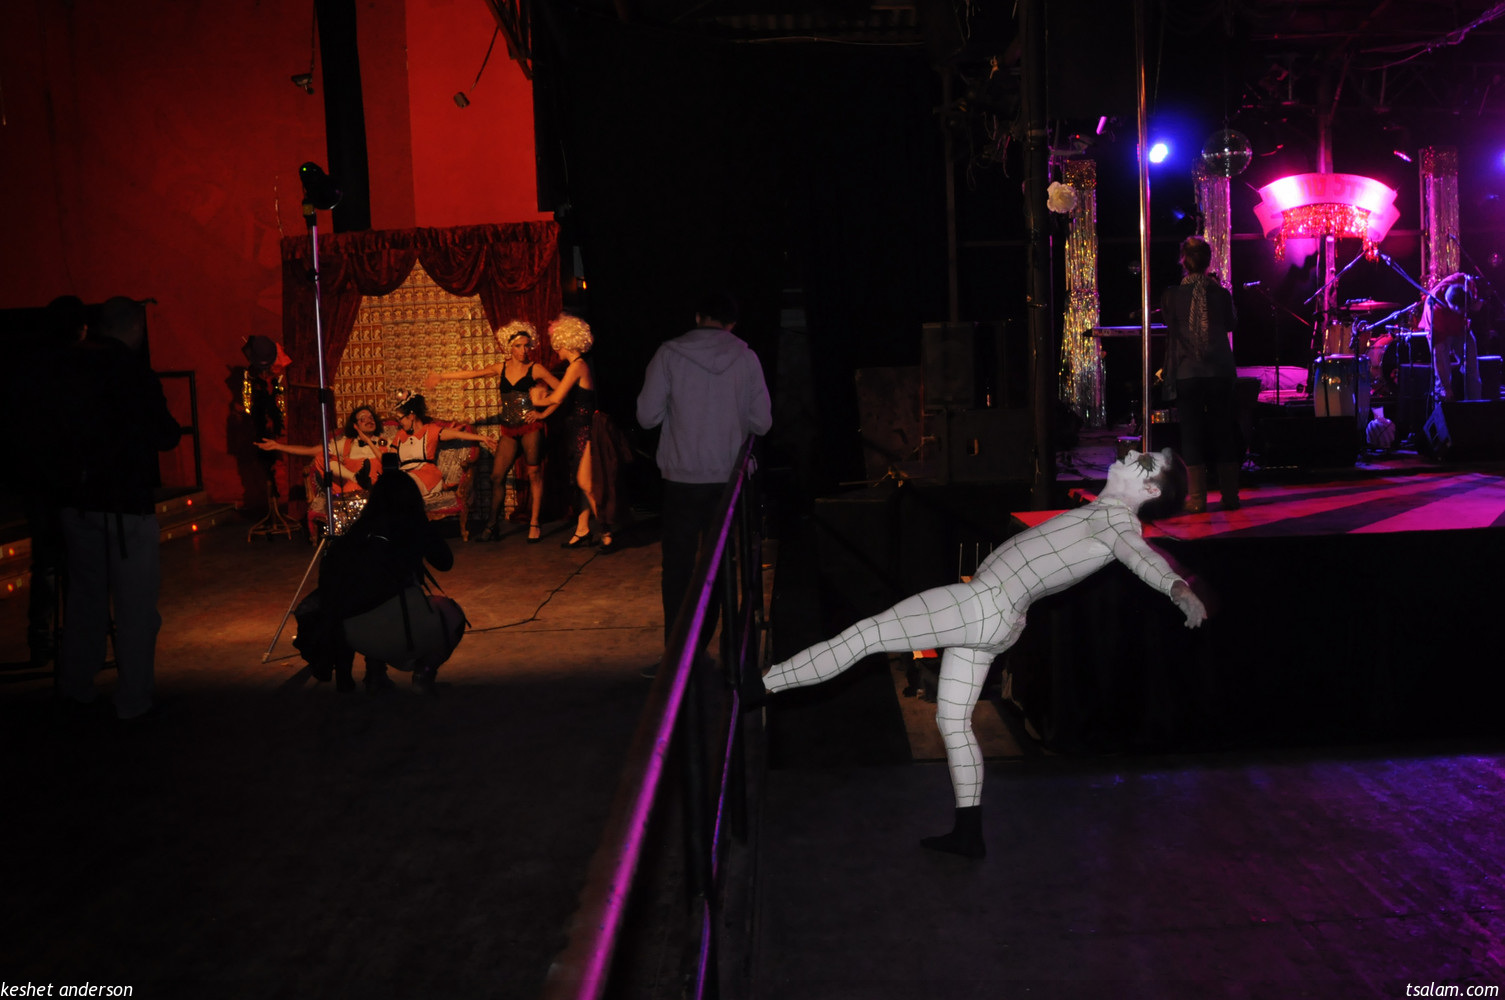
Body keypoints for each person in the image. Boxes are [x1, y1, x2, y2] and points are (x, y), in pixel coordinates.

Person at [753, 449, 1206, 858]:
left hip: (980, 606)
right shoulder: (1103, 514)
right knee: (952, 721)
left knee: (865, 635)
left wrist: (1177, 588)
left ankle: (763, 684)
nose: (1131, 451)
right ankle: (968, 833)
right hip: (997, 620)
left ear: (1150, 490)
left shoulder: (1116, 521)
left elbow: (1140, 556)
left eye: (1145, 459)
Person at [55, 296, 182, 721]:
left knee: (84, 599)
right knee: (135, 606)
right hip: (126, 501)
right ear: (135, 328)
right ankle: (132, 700)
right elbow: (166, 435)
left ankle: (76, 687)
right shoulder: (132, 371)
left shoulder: (67, 365)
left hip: (76, 499)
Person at [636, 291, 772, 671]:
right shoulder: (745, 358)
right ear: (732, 323)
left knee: (678, 569)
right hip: (728, 480)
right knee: (722, 565)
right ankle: (728, 652)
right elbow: (762, 422)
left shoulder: (668, 354)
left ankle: (679, 655)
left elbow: (646, 416)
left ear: (698, 317)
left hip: (681, 478)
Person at [301, 452, 459, 694]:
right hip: (401, 633)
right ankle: (423, 675)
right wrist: (424, 528)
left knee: (365, 597)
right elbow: (445, 562)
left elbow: (334, 598)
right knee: (451, 613)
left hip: (353, 635)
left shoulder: (352, 537)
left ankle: (374, 675)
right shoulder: (415, 526)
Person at [424, 320, 560, 542]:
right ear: (510, 347)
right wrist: (442, 377)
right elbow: (472, 374)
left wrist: (543, 413)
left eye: (527, 346)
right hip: (509, 429)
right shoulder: (501, 367)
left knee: (534, 473)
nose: (524, 350)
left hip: (530, 428)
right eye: (518, 346)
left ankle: (535, 523)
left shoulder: (535, 369)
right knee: (497, 476)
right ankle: (492, 525)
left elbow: (561, 390)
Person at [529, 315, 630, 552]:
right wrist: (543, 413)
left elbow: (557, 397)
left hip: (584, 430)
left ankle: (606, 532)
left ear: (566, 342)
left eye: (557, 344)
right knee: (580, 482)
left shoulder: (577, 366)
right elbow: (565, 399)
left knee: (585, 482)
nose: (556, 349)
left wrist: (537, 399)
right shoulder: (575, 367)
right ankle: (583, 530)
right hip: (576, 430)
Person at [1161, 235, 1242, 513]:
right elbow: (1231, 324)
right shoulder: (1220, 294)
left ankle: (1197, 500)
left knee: (1191, 434)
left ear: (1183, 261)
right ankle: (1230, 497)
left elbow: (1169, 322)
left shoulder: (1171, 295)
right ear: (1208, 262)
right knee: (1223, 431)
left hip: (1188, 371)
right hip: (1218, 371)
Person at [255, 405, 388, 494]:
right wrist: (279, 446)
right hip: (354, 489)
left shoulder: (386, 442)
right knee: (322, 456)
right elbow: (312, 451)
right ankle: (355, 477)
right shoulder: (345, 443)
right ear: (355, 426)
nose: (369, 420)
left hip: (381, 488)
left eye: (371, 418)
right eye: (363, 418)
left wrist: (368, 441)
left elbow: (392, 464)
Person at [390, 390, 496, 498]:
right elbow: (389, 460)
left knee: (405, 486)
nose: (399, 422)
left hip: (426, 475)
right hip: (404, 475)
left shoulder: (430, 431)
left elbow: (457, 435)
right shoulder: (400, 435)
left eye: (400, 418)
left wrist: (483, 438)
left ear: (411, 416)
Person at [1419, 272, 1482, 402]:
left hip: (1461, 328)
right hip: (1442, 329)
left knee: (1472, 369)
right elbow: (1438, 355)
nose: (1464, 313)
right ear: (1450, 305)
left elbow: (1476, 300)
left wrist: (1475, 304)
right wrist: (1446, 387)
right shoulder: (1435, 312)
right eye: (1461, 311)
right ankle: (1444, 405)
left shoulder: (1465, 282)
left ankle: (1475, 406)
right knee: (1443, 376)